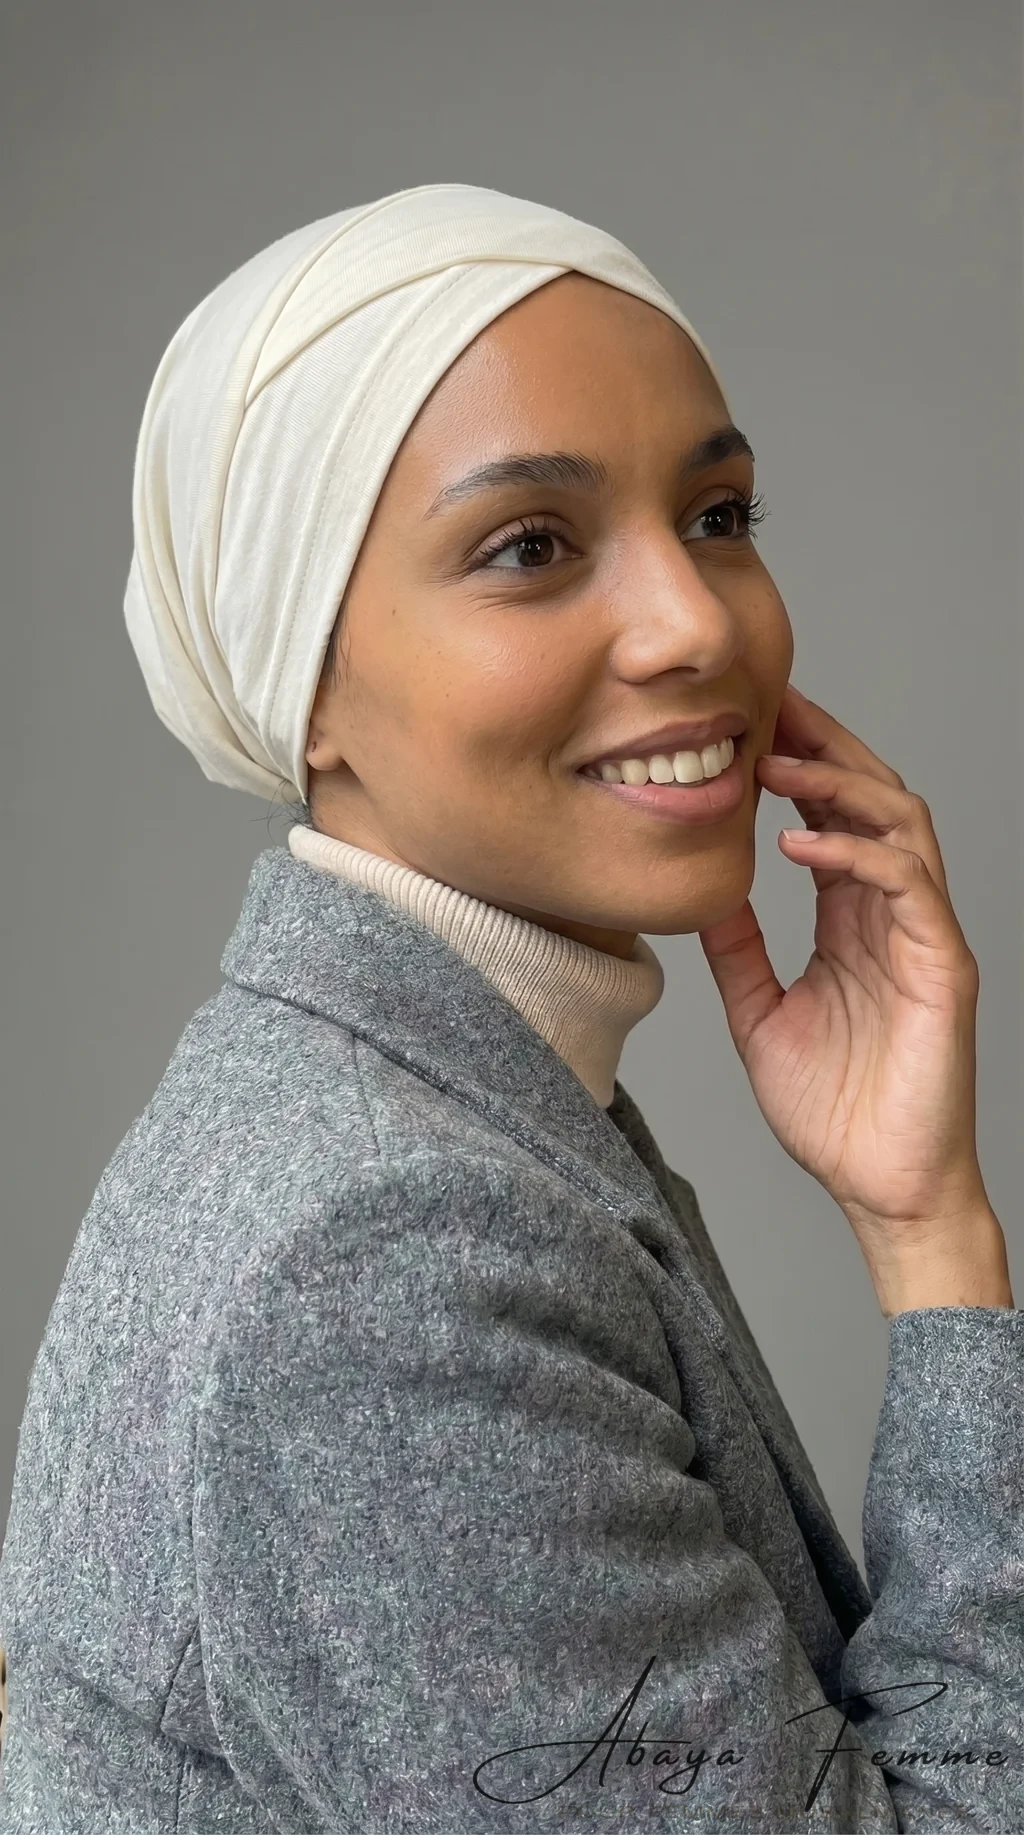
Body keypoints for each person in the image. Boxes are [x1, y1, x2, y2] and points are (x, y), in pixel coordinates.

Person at [0, 182, 1019, 1833]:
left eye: (720, 514)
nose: (698, 622)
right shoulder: (385, 1258)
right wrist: (946, 1259)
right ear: (302, 681)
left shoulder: (406, 1102)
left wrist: (919, 1207)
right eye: (530, 547)